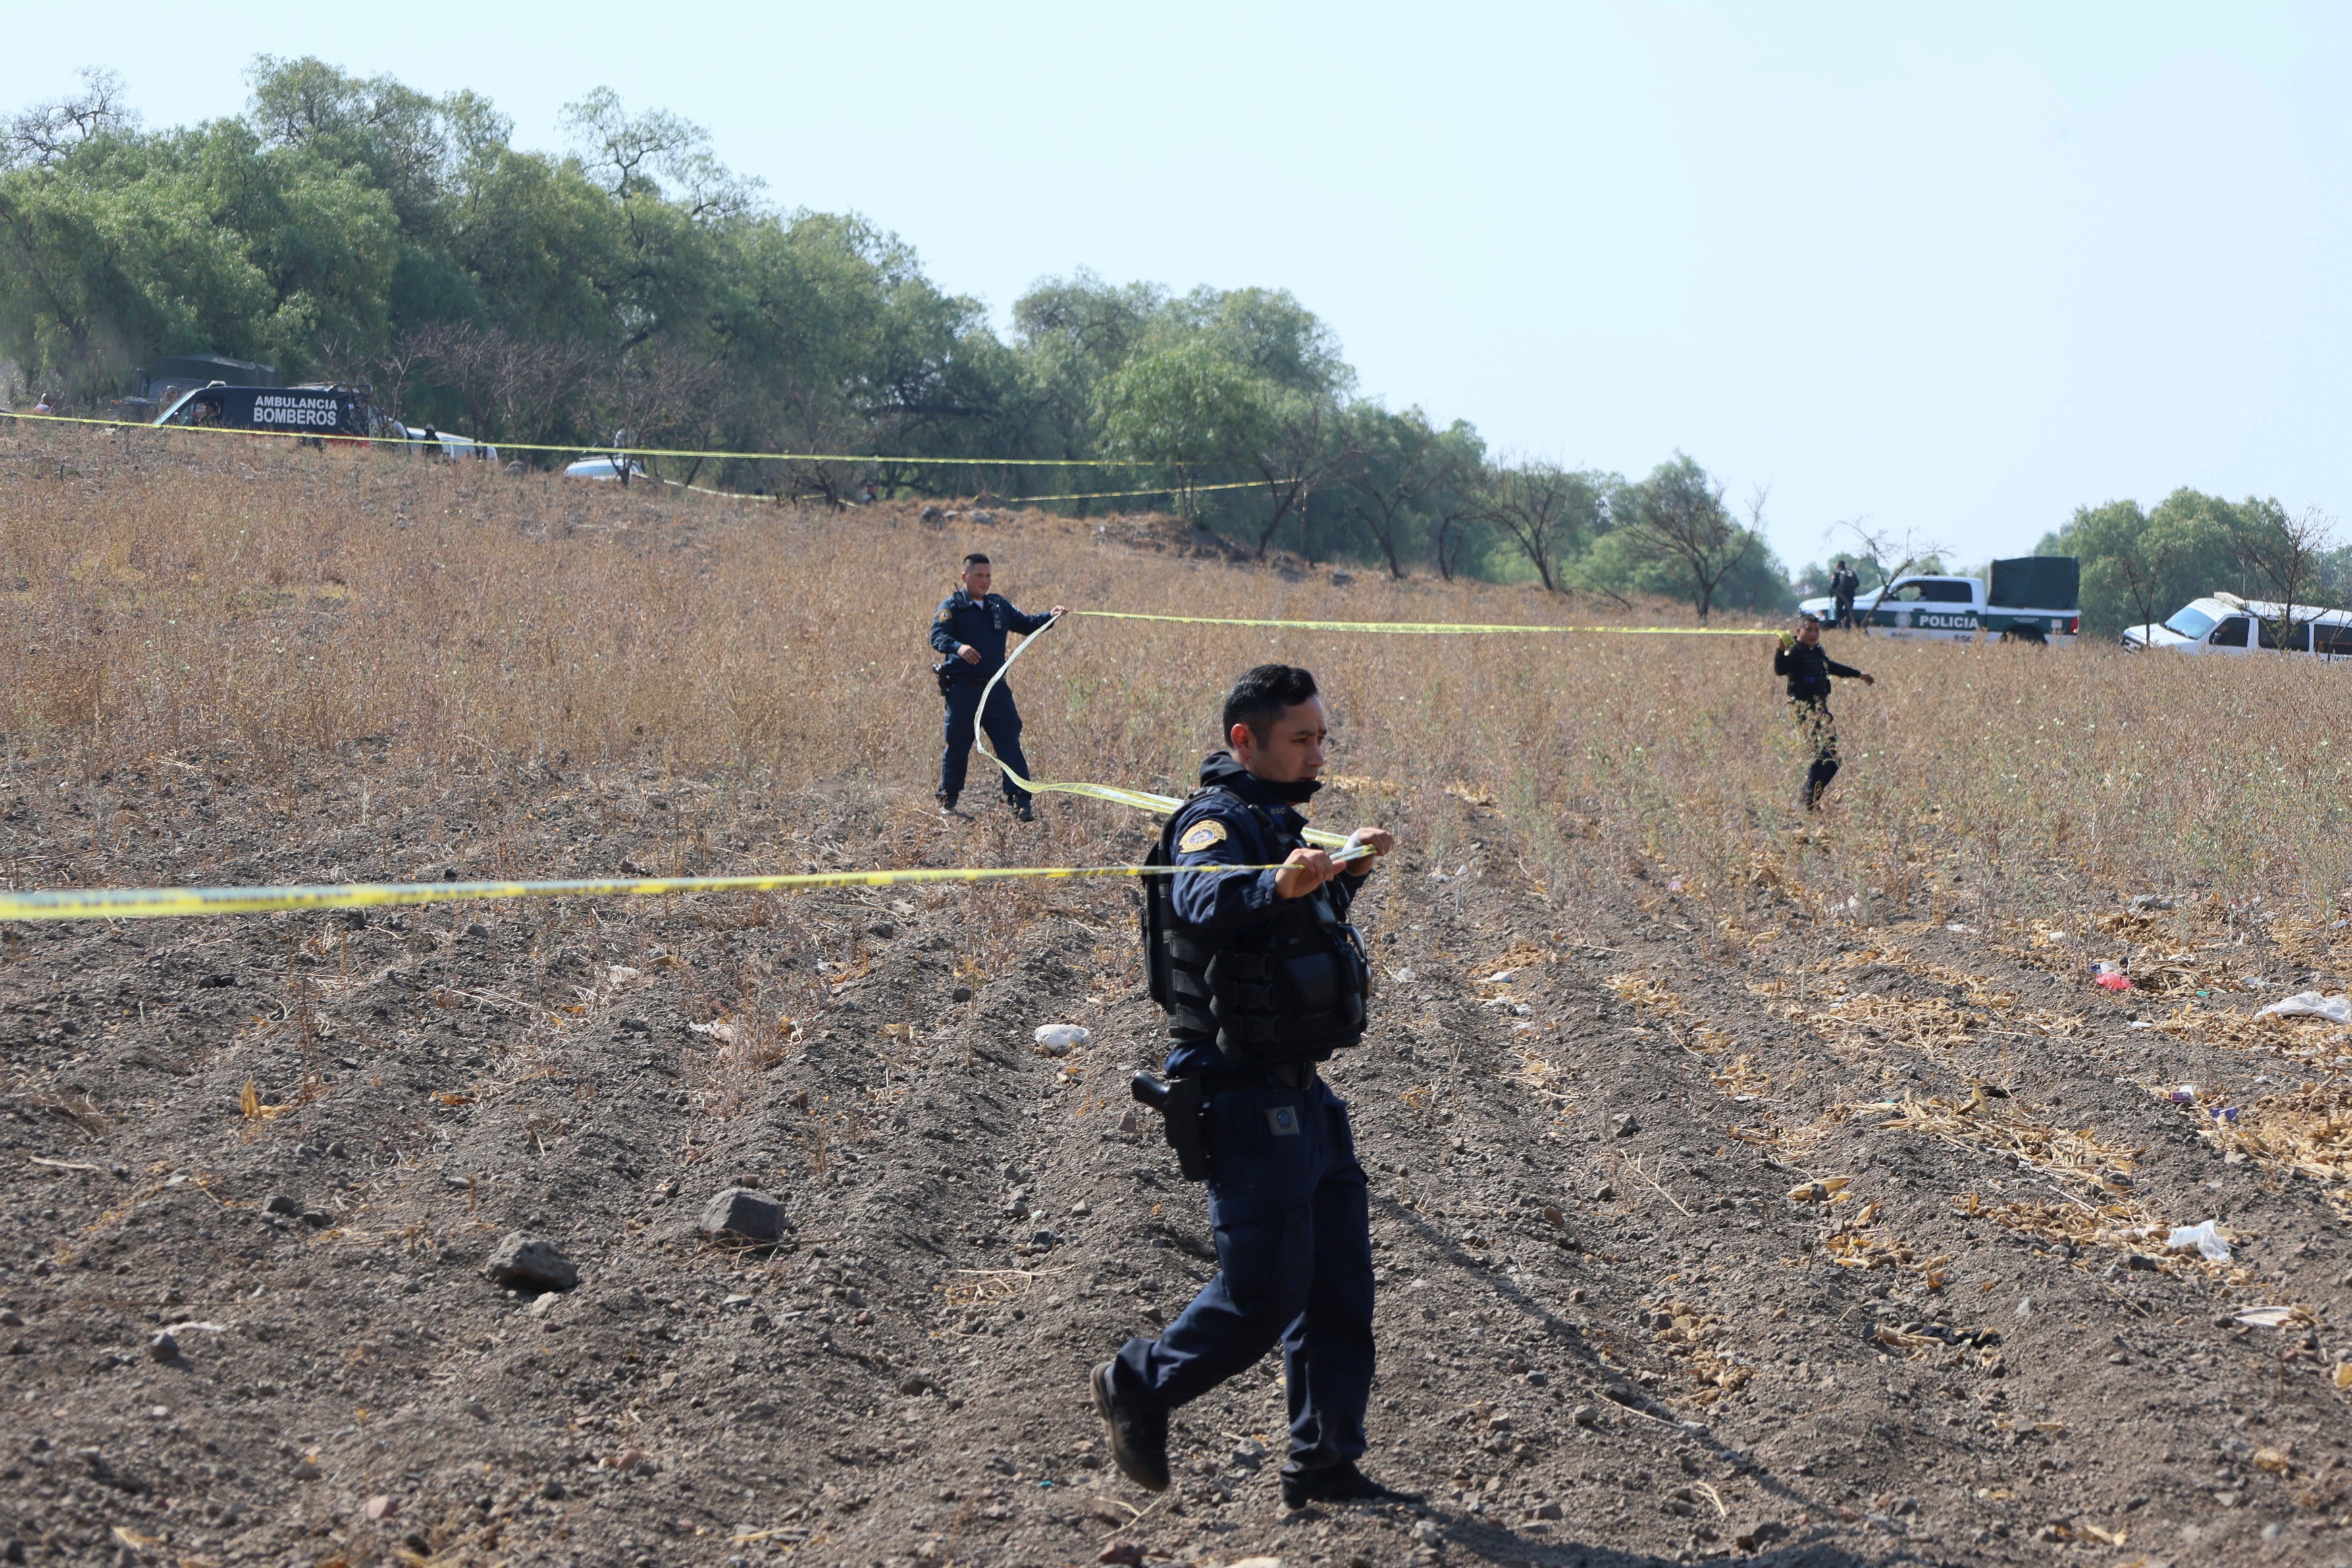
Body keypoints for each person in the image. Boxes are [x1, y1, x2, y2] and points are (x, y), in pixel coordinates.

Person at [1093, 664, 1415, 1510]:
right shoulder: (1213, 825)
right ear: (1247, 740)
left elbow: (1283, 936)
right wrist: (1276, 879)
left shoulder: (1277, 822)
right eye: (1301, 739)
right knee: (1262, 1297)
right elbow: (1200, 899)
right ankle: (1140, 1381)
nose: (1319, 755)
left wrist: (1342, 871)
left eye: (1322, 737)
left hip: (1307, 1098)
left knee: (1338, 1291)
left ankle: (1326, 1464)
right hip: (1239, 1097)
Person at [928, 553, 1066, 820]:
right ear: (965, 577)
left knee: (1009, 744)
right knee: (957, 745)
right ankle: (948, 799)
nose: (984, 581)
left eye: (988, 575)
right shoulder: (953, 607)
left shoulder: (998, 605)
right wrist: (958, 647)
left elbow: (1026, 624)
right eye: (979, 575)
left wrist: (1051, 616)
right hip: (963, 690)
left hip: (995, 691)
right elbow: (937, 635)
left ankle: (1020, 801)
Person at [1774, 614, 1874, 810]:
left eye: (1816, 630)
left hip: (1821, 709)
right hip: (1804, 710)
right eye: (1809, 629)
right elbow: (1780, 670)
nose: (1813, 633)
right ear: (1799, 631)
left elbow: (1831, 667)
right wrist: (1780, 650)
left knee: (1834, 759)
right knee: (1820, 754)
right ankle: (1809, 801)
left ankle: (1811, 798)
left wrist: (1859, 675)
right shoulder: (1793, 652)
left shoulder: (1817, 651)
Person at [1829, 560, 1861, 631]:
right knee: (1848, 611)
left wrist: (1831, 595)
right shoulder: (1851, 573)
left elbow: (1833, 585)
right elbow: (1857, 584)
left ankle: (1839, 626)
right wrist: (1850, 590)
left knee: (1838, 611)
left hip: (1840, 595)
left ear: (1838, 566)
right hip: (1850, 595)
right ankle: (1847, 626)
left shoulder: (1837, 573)